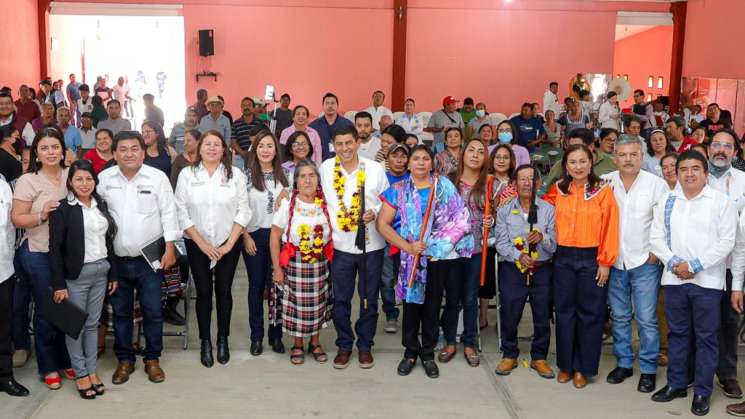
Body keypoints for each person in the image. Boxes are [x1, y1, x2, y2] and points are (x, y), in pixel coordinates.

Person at [650, 150, 736, 416]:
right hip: (674, 279)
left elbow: (726, 242)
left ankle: (702, 391)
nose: (689, 174)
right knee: (677, 334)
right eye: (683, 169)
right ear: (677, 173)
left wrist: (694, 265)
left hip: (708, 283)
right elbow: (656, 238)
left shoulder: (721, 202)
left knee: (706, 338)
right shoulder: (667, 200)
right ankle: (676, 384)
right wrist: (676, 263)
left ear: (705, 173)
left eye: (695, 169)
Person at [377, 144, 471, 378]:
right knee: (411, 306)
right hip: (409, 256)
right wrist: (407, 246)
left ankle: (428, 353)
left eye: (425, 158)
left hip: (437, 257)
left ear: (432, 162)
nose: (420, 162)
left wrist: (436, 246)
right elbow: (382, 224)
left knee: (432, 304)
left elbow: (460, 218)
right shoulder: (397, 189)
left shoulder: (444, 187)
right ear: (408, 164)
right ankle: (410, 352)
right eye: (416, 158)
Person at [98, 130, 180, 385]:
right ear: (114, 153)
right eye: (122, 149)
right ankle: (125, 360)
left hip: (150, 260)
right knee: (121, 313)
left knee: (153, 311)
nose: (129, 154)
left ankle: (152, 359)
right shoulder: (103, 179)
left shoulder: (157, 178)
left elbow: (169, 214)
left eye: (134, 148)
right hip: (116, 260)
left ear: (143, 152)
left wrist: (170, 248)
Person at [543, 144, 619, 389]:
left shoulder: (602, 191)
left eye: (582, 161)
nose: (578, 166)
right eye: (573, 162)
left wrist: (605, 262)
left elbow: (610, 227)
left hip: (591, 258)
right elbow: (542, 213)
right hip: (563, 258)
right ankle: (566, 365)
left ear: (591, 163)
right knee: (564, 312)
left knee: (591, 314)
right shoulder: (557, 190)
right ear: (566, 165)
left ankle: (583, 368)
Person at [175, 130, 249, 368]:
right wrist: (203, 244)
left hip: (229, 244)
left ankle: (223, 339)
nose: (212, 148)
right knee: (204, 292)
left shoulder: (235, 174)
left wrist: (228, 244)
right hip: (197, 244)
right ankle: (205, 340)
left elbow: (243, 211)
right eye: (207, 144)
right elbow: (181, 211)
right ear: (199, 147)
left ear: (224, 149)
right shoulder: (188, 174)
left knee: (224, 291)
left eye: (217, 144)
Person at [319, 125, 389, 369]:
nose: (345, 148)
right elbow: (315, 195)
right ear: (333, 146)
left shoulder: (374, 169)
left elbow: (387, 200)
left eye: (349, 143)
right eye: (339, 144)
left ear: (357, 143)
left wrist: (375, 211)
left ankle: (365, 345)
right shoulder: (326, 169)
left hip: (371, 245)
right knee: (341, 299)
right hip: (339, 245)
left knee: (369, 298)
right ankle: (345, 344)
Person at [603, 135, 668, 393]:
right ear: (615, 157)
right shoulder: (605, 182)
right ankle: (624, 363)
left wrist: (655, 253)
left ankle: (649, 368)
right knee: (619, 316)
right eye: (623, 155)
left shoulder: (657, 184)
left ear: (642, 156)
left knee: (646, 319)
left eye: (633, 154)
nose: (628, 159)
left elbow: (663, 222)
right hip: (614, 261)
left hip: (645, 261)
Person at [49, 160, 117, 400]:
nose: (85, 183)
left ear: (95, 181)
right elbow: (55, 249)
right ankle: (80, 374)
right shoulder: (63, 209)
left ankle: (91, 370)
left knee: (92, 325)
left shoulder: (101, 205)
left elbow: (110, 242)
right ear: (71, 182)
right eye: (79, 179)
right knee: (75, 327)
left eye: (89, 179)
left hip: (101, 271)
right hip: (76, 276)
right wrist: (59, 284)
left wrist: (113, 273)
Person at [11, 128, 72, 389]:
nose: (50, 152)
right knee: (48, 308)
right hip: (37, 251)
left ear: (63, 149)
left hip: (68, 253)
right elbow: (17, 218)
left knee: (67, 305)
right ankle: (48, 365)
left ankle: (66, 358)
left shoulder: (72, 175)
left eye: (55, 147)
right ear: (36, 152)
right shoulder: (28, 180)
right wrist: (41, 216)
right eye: (44, 148)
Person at [494, 164, 556, 379]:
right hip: (513, 268)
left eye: (531, 179)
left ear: (538, 183)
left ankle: (539, 357)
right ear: (514, 184)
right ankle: (509, 354)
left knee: (542, 313)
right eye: (522, 179)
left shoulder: (548, 209)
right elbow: (501, 243)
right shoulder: (504, 211)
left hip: (542, 269)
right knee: (510, 312)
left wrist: (543, 238)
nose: (527, 183)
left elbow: (555, 244)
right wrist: (518, 255)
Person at [269, 160, 334, 365]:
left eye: (312, 176)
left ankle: (315, 342)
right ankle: (297, 344)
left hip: (320, 262)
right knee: (296, 305)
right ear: (295, 181)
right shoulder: (288, 203)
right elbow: (274, 236)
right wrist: (277, 268)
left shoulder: (326, 203)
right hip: (294, 262)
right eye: (303, 176)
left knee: (318, 304)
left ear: (318, 180)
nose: (307, 180)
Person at [440, 138, 490, 367]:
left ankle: (469, 343)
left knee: (470, 298)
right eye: (471, 150)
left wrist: (493, 219)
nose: (475, 155)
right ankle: (450, 341)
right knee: (452, 297)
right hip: (452, 249)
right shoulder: (449, 180)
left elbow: (498, 215)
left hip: (476, 249)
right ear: (463, 153)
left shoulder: (488, 183)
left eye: (481, 152)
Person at [704, 129, 745, 400]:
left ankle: (727, 374)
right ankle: (695, 373)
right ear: (708, 149)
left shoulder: (743, 181)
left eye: (727, 146)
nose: (721, 150)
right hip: (700, 267)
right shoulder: (694, 176)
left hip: (732, 265)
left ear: (735, 152)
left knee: (730, 321)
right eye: (716, 144)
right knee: (700, 322)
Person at [242, 130, 289, 356]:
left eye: (270, 146)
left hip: (278, 238)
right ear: (255, 149)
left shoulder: (285, 175)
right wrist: (245, 236)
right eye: (261, 146)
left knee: (277, 288)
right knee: (256, 287)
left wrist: (287, 193)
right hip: (254, 237)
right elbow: (239, 209)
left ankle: (276, 335)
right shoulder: (246, 176)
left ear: (275, 150)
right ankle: (257, 336)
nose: (265, 150)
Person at [479, 144, 516, 328]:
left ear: (511, 161)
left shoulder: (515, 183)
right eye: (498, 157)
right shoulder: (485, 181)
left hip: (510, 237)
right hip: (487, 236)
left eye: (505, 157)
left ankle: (506, 318)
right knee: (485, 279)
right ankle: (483, 316)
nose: (501, 160)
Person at [0, 171, 28, 397]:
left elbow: (10, 227)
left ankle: (4, 376)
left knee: (4, 325)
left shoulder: (3, 186)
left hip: (3, 268)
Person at [309, 93, 353, 161]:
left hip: (343, 162)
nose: (330, 106)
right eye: (327, 103)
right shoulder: (313, 126)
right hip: (320, 164)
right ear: (323, 106)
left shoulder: (348, 124)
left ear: (337, 105)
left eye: (333, 103)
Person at [231, 97, 266, 169]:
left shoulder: (259, 122)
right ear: (241, 108)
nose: (246, 107)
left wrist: (254, 154)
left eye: (249, 105)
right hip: (240, 158)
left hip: (257, 157)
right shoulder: (235, 123)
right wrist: (243, 154)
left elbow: (264, 139)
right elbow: (233, 142)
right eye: (244, 105)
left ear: (253, 108)